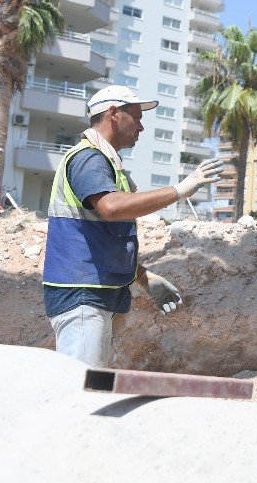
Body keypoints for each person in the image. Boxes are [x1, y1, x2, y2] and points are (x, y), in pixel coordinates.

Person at [42, 85, 224, 367]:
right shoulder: (89, 158)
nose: (141, 127)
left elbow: (104, 236)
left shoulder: (105, 162)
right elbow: (112, 208)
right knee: (78, 389)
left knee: (91, 388)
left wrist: (141, 276)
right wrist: (180, 190)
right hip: (81, 293)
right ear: (113, 114)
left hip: (94, 292)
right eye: (136, 117)